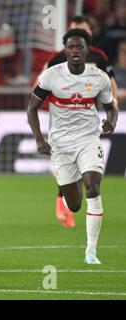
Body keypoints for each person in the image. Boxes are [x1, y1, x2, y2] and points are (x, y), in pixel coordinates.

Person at [27, 29, 118, 264]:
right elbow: (31, 108)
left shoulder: (98, 77)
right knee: (75, 205)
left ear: (88, 50)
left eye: (80, 47)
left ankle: (91, 251)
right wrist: (39, 139)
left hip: (88, 139)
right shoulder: (51, 76)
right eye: (71, 47)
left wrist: (112, 121)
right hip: (61, 144)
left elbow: (111, 106)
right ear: (65, 50)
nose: (75, 51)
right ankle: (71, 179)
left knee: (93, 186)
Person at [44, 15, 119, 228]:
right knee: (68, 166)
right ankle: (62, 199)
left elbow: (110, 86)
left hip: (87, 118)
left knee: (88, 174)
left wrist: (111, 110)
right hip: (61, 118)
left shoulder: (99, 57)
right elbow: (40, 84)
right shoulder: (57, 59)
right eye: (74, 29)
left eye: (82, 29)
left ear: (89, 34)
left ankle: (69, 203)